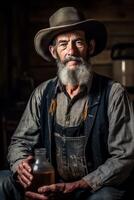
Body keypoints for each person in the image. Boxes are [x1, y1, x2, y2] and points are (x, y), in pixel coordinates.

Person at [0, 6, 134, 200]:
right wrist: (21, 166)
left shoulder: (113, 94)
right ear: (54, 52)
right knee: (3, 181)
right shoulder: (41, 94)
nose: (71, 51)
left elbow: (124, 156)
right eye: (63, 44)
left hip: (94, 188)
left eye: (78, 42)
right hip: (49, 185)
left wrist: (80, 184)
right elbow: (20, 142)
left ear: (91, 46)